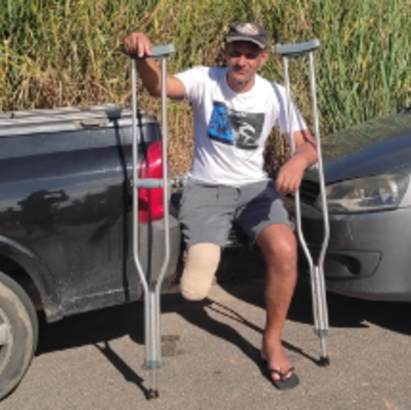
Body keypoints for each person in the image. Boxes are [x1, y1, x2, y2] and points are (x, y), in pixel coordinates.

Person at [123, 20, 318, 390]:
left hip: (255, 189)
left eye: (250, 54)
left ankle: (272, 341)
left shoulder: (275, 94)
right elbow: (159, 87)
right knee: (196, 287)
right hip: (206, 188)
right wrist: (142, 56)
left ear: (262, 58)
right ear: (226, 52)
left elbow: (309, 145)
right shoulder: (204, 80)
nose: (241, 60)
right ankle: (197, 252)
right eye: (235, 52)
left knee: (285, 250)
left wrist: (297, 162)